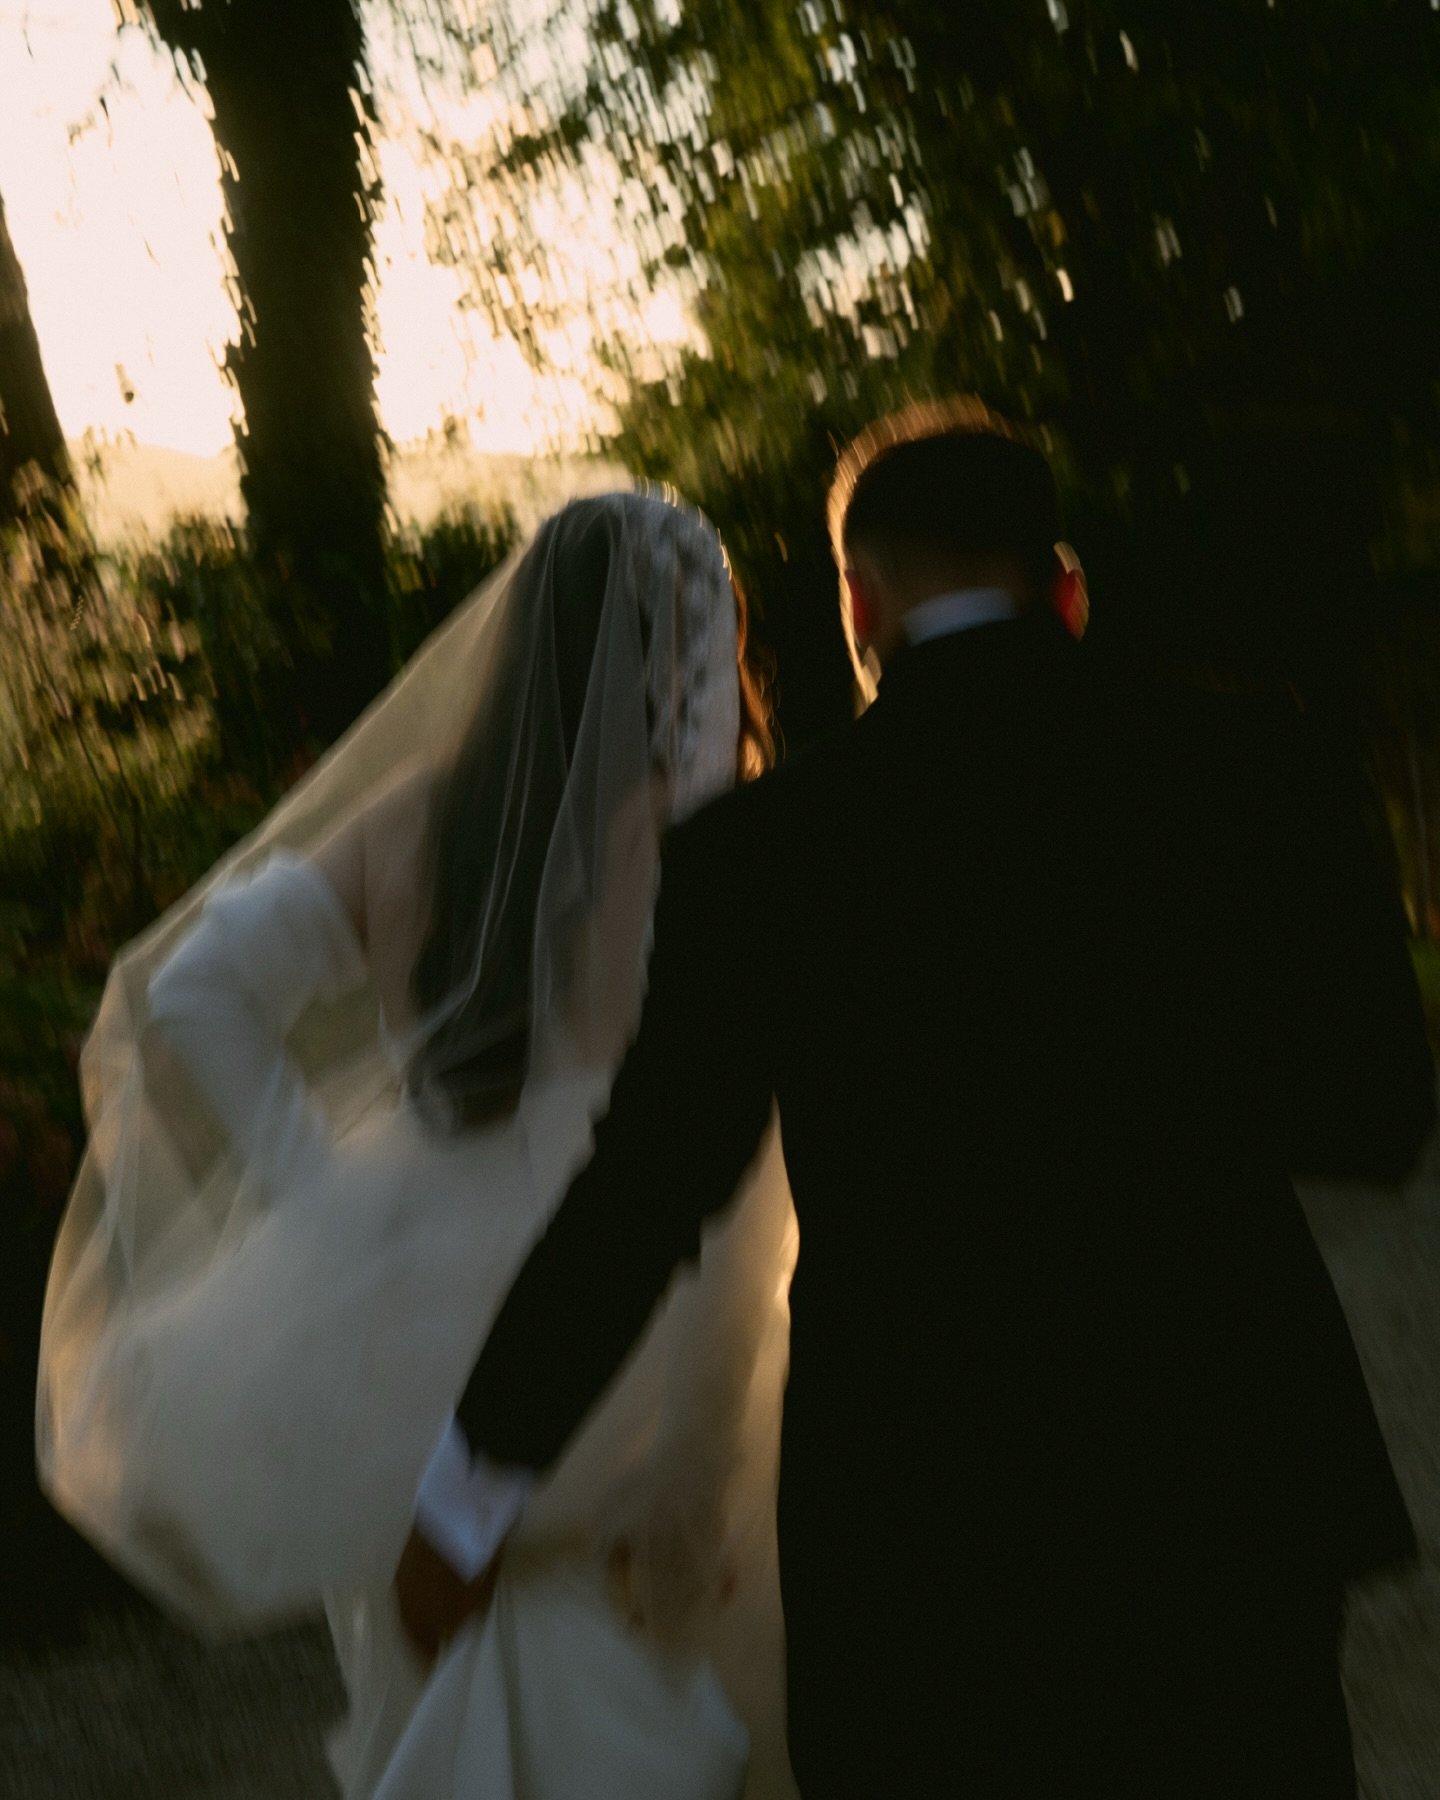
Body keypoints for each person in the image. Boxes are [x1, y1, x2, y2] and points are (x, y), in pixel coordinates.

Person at [399, 400, 1436, 1796]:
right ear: (1064, 586)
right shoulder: (1259, 769)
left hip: (919, 1501)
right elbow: (1378, 1113)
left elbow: (649, 1182)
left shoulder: (764, 854)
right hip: (1222, 1462)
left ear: (855, 602)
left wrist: (472, 1491)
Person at [36, 492, 800, 1800]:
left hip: (409, 1286)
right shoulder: (704, 829)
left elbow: (195, 990)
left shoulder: (420, 817)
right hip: (635, 1265)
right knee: (666, 1655)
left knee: (426, 1635)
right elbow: (723, 1139)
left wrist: (322, 1194)